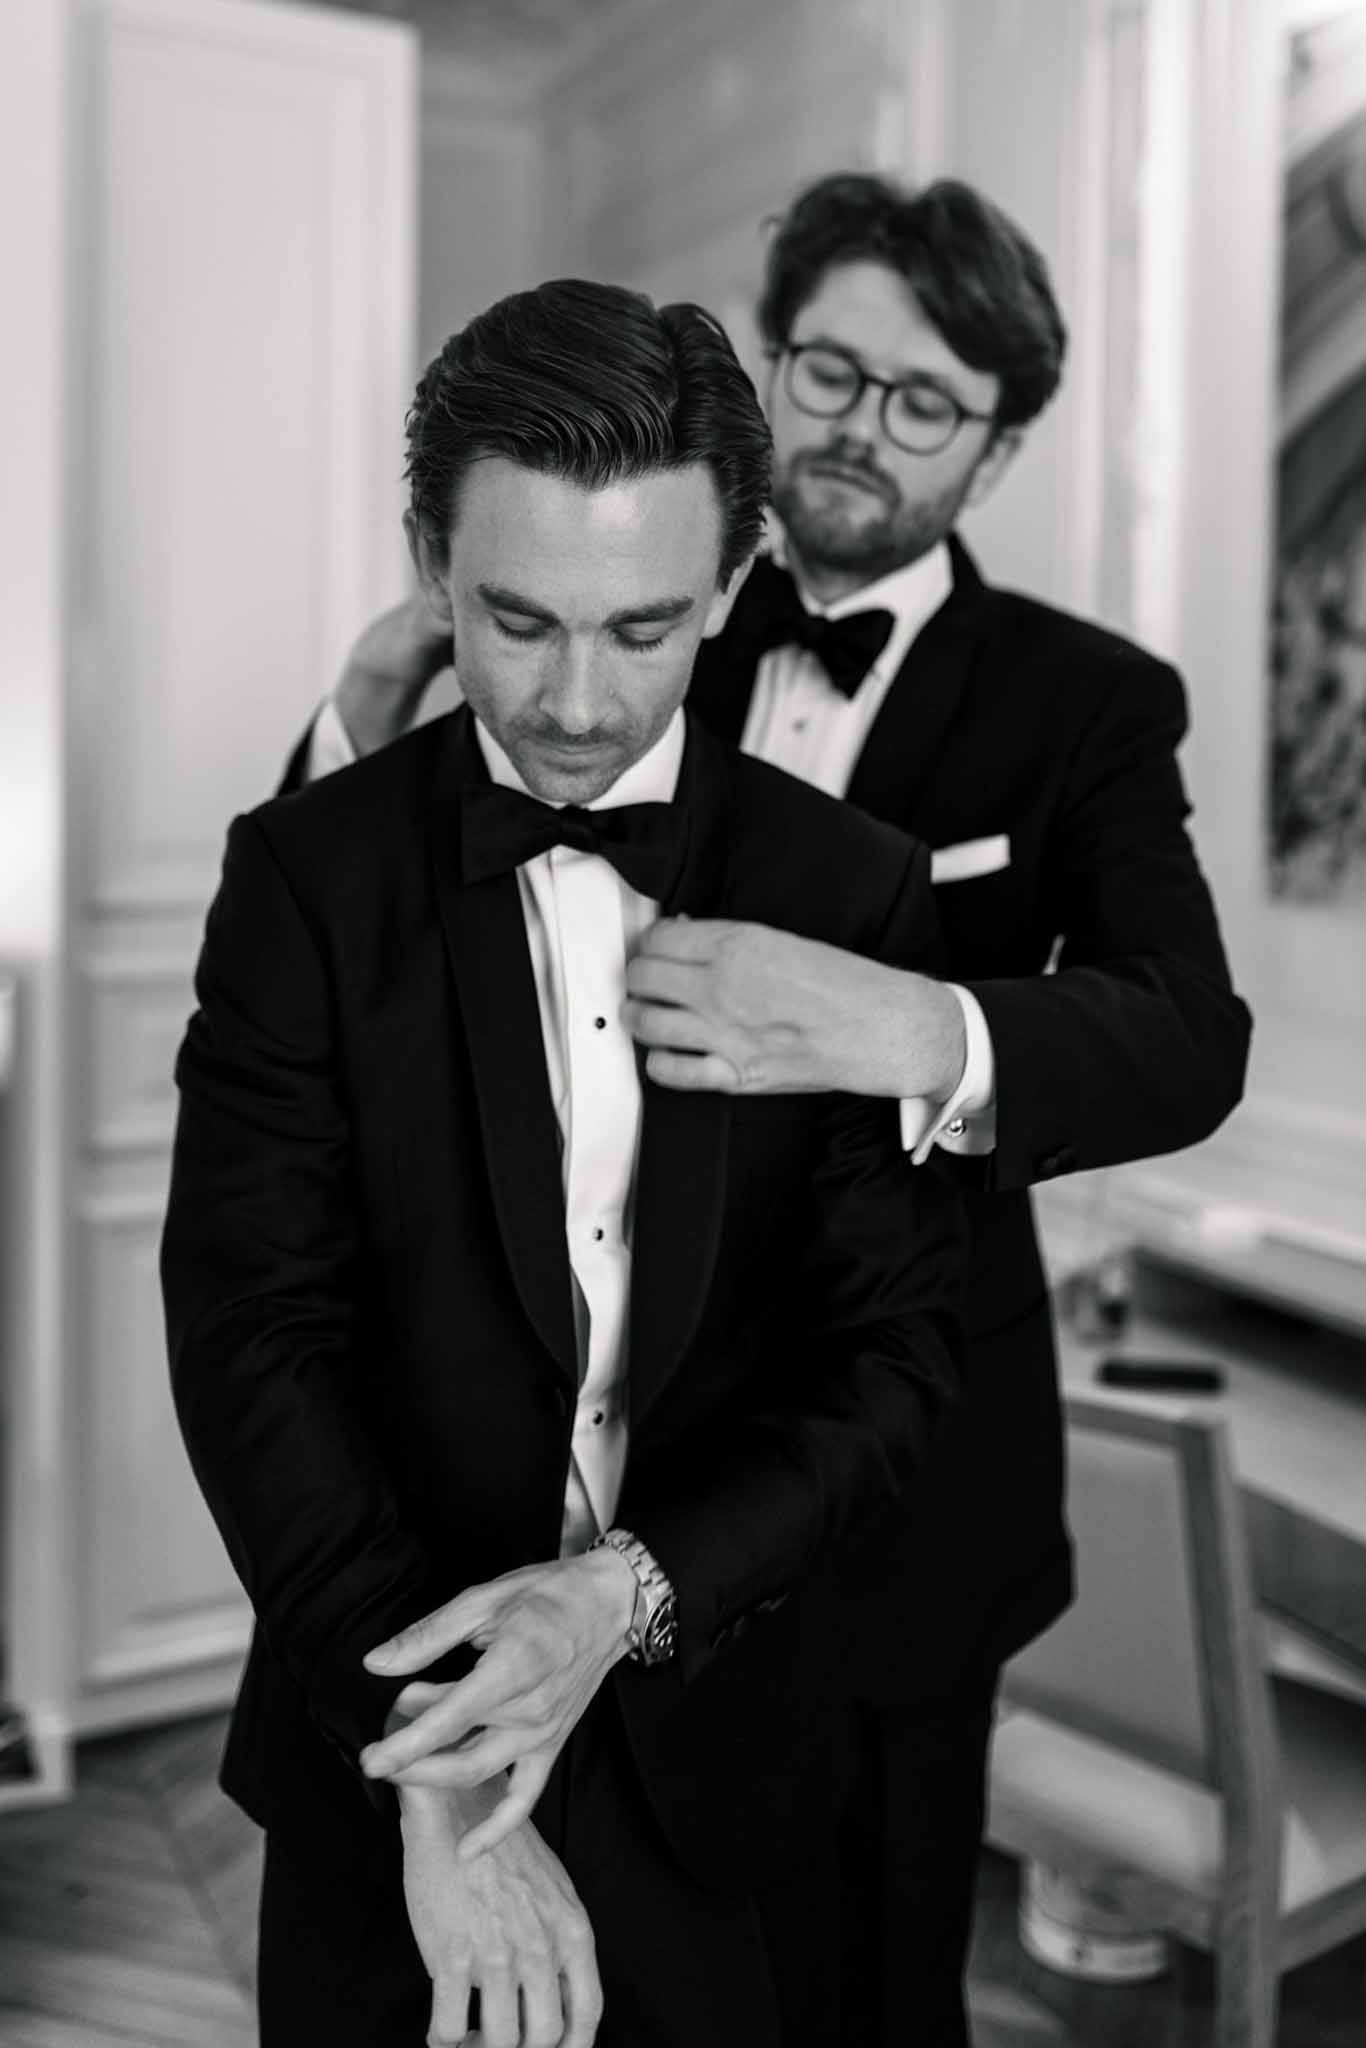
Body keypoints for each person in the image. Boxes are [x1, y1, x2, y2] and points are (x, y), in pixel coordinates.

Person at [289, 173, 1253, 2047]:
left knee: (872, 1987)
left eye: (926, 400)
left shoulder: (1084, 705)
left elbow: (1186, 1033)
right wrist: (350, 724)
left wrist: (913, 1021)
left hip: (900, 1483)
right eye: (828, 366)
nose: (855, 426)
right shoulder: (620, 595)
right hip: (567, 1492)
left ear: (996, 451)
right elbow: (357, 917)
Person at [161, 276, 967, 2048]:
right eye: (518, 621)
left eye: (646, 626)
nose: (580, 702)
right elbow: (252, 1342)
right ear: (429, 562)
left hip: (732, 1747)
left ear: (737, 585)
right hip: (380, 1741)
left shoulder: (852, 896)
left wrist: (630, 1598)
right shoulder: (301, 878)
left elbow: (893, 1367)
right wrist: (438, 1773)